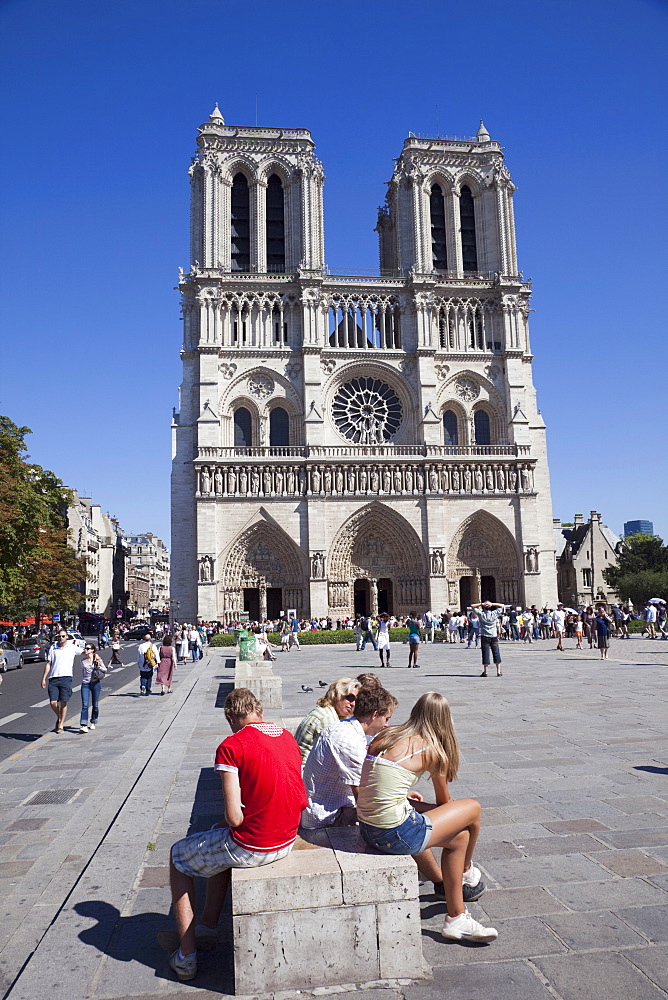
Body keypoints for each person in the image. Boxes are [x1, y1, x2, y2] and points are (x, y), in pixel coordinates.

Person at [163, 688, 307, 981]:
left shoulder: (232, 745)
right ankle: (207, 925)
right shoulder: (286, 736)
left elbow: (234, 817)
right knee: (218, 834)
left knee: (178, 857)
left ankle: (186, 957)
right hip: (287, 837)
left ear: (230, 717)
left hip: (256, 845)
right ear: (260, 712)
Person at [357, 691, 497, 944]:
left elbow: (378, 787)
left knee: (460, 837)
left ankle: (457, 917)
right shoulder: (432, 750)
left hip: (368, 827)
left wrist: (413, 803)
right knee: (473, 809)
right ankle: (465, 871)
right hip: (393, 832)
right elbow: (445, 803)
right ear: (445, 720)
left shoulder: (387, 736)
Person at [301, 686, 396, 830]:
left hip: (327, 805)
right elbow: (363, 796)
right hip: (328, 816)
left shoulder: (344, 727)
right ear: (374, 714)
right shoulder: (348, 742)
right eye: (386, 719)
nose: (386, 725)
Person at [294, 678, 361, 764]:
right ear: (337, 695)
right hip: (304, 770)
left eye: (356, 700)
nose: (353, 704)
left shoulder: (327, 711)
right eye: (350, 697)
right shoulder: (328, 719)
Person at [41, 628, 79, 733]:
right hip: (53, 678)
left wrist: (94, 656)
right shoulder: (53, 647)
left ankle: (60, 725)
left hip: (66, 677)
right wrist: (44, 678)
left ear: (67, 636)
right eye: (59, 636)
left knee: (63, 702)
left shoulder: (72, 647)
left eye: (63, 636)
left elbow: (85, 652)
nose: (61, 638)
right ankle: (60, 717)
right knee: (53, 702)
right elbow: (48, 663)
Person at [470, 601, 503, 677]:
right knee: (496, 653)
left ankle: (486, 672)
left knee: (485, 653)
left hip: (485, 636)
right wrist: (492, 604)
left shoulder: (481, 614)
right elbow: (502, 606)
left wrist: (482, 604)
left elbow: (472, 606)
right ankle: (498, 671)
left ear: (483, 607)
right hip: (493, 636)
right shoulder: (494, 613)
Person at [79, 641, 107, 732]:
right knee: (85, 705)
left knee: (95, 704)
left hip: (95, 683)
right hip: (85, 684)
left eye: (88, 649)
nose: (85, 650)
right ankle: (83, 724)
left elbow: (105, 669)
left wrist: (98, 665)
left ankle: (93, 721)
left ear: (92, 650)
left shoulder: (98, 659)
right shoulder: (82, 661)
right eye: (85, 648)